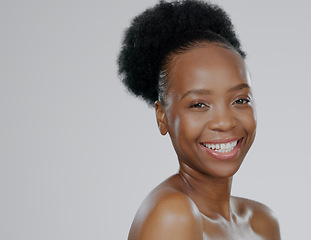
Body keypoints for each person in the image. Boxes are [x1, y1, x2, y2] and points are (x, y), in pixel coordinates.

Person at [118, 1, 280, 239]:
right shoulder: (172, 215)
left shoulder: (262, 221)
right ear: (162, 117)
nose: (224, 122)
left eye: (240, 100)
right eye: (199, 105)